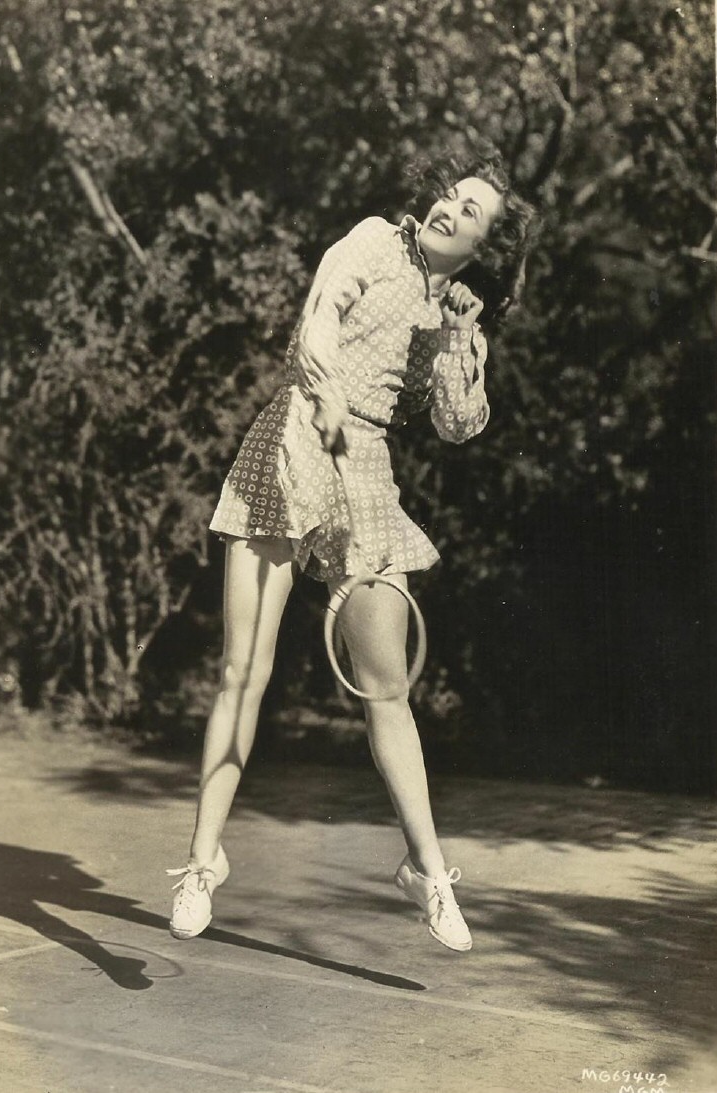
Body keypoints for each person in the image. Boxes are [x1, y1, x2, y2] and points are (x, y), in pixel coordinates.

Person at [167, 149, 535, 952]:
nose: (448, 207)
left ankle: (427, 872)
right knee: (242, 670)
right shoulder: (372, 240)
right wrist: (329, 411)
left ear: (484, 246)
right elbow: (315, 326)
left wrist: (458, 342)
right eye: (450, 193)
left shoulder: (456, 313)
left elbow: (458, 424)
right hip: (297, 436)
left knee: (385, 687)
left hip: (365, 470)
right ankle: (201, 862)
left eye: (469, 211)